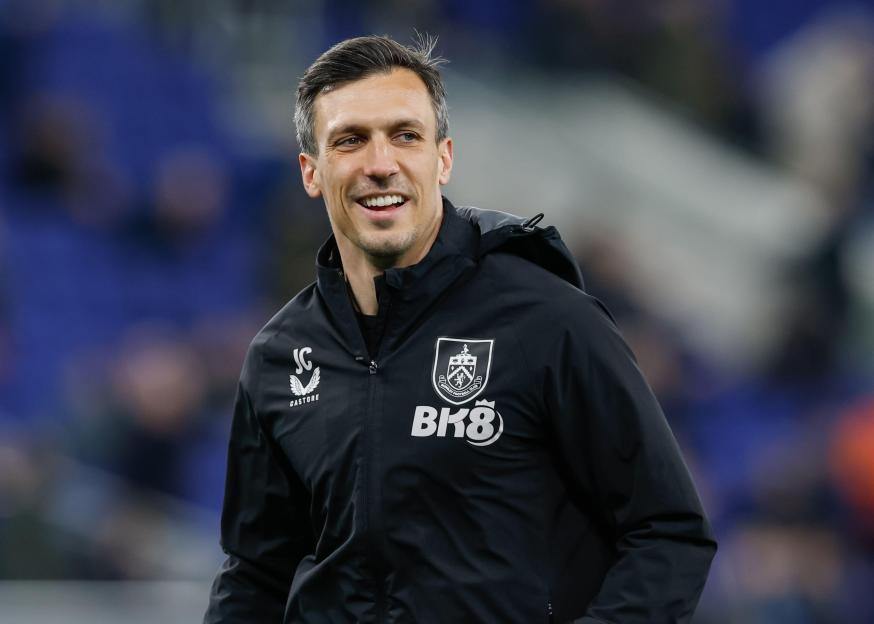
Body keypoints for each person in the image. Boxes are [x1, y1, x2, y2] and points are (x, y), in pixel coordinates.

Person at [204, 35, 716, 624]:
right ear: (311, 172)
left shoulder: (548, 322)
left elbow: (668, 533)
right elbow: (256, 572)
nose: (380, 164)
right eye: (350, 141)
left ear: (443, 158)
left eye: (405, 135)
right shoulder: (281, 356)